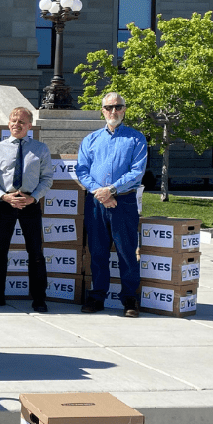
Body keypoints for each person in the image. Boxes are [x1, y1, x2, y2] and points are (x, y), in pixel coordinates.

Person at [76, 92, 149, 318]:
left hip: (124, 201)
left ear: (125, 109)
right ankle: (97, 296)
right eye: (108, 107)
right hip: (96, 202)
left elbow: (137, 171)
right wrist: (100, 193)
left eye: (118, 107)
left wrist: (112, 190)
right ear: (102, 110)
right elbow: (81, 170)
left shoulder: (136, 139)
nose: (113, 111)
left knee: (127, 252)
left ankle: (129, 299)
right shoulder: (90, 139)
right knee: (97, 252)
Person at [0, 107, 54, 312]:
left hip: (30, 204)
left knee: (35, 252)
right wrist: (3, 196)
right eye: (13, 120)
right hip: (6, 203)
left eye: (21, 122)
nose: (16, 124)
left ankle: (39, 297)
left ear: (29, 126)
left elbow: (47, 178)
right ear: (8, 123)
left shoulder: (41, 149)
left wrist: (33, 198)